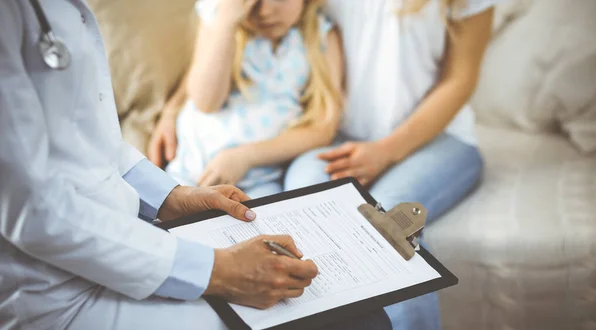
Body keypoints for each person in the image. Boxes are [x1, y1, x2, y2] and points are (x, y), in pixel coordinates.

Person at [0, 0, 391, 329]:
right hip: (58, 293)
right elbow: (35, 209)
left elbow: (92, 142)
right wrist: (220, 271)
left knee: (365, 313)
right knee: (350, 320)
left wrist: (172, 195)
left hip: (121, 241)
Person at [148, 0, 497, 329]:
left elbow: (460, 78)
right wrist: (173, 110)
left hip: (436, 140)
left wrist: (386, 151)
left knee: (387, 220)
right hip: (341, 141)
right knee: (305, 202)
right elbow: (216, 48)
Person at [157, 0, 343, 199]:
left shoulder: (321, 35)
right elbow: (206, 102)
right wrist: (226, 24)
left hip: (261, 179)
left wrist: (246, 157)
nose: (264, 11)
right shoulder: (219, 19)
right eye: (252, 1)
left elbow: (323, 129)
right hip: (191, 171)